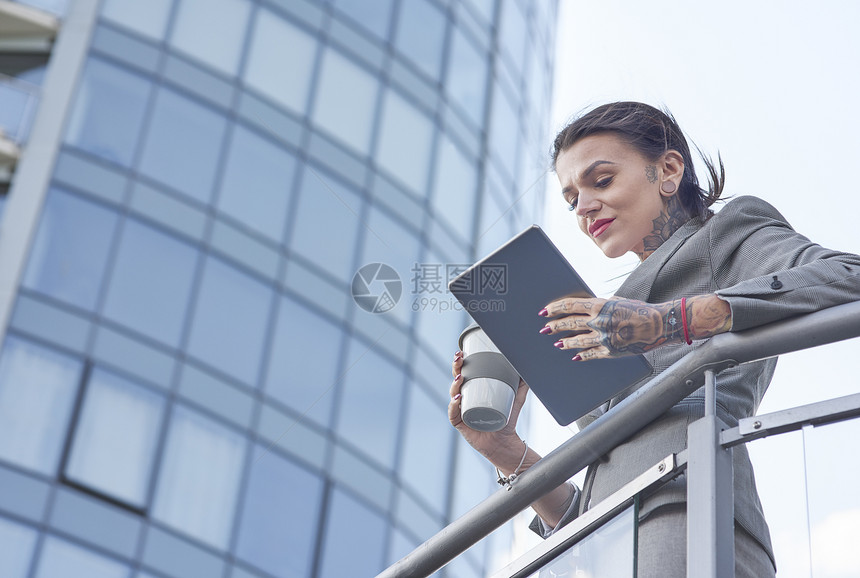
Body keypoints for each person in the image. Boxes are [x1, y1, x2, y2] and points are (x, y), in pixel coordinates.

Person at [448, 101, 860, 577]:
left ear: (667, 170)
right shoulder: (603, 316)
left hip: (690, 507)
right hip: (608, 541)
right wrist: (505, 451)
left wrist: (667, 320)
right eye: (570, 199)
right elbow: (588, 511)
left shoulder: (728, 232)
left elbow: (848, 275)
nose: (583, 207)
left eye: (600, 181)